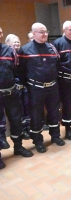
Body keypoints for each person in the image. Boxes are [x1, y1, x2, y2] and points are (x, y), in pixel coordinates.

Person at [18, 22, 65, 153]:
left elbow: (57, 65)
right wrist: (29, 85)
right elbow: (21, 70)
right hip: (35, 89)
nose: (45, 34)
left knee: (54, 113)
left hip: (52, 87)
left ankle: (55, 136)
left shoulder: (52, 48)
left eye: (46, 31)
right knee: (36, 115)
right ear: (33, 34)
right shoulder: (25, 49)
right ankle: (38, 141)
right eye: (41, 32)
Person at [0, 26, 34, 169]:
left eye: (0, 31)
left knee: (16, 121)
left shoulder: (9, 51)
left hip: (11, 93)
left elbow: (17, 70)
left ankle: (18, 147)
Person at [5, 34, 31, 140]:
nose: (16, 43)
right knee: (18, 111)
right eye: (14, 42)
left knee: (27, 108)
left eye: (17, 41)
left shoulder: (22, 54)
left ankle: (29, 128)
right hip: (14, 88)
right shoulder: (8, 55)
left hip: (25, 86)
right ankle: (22, 130)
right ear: (8, 43)